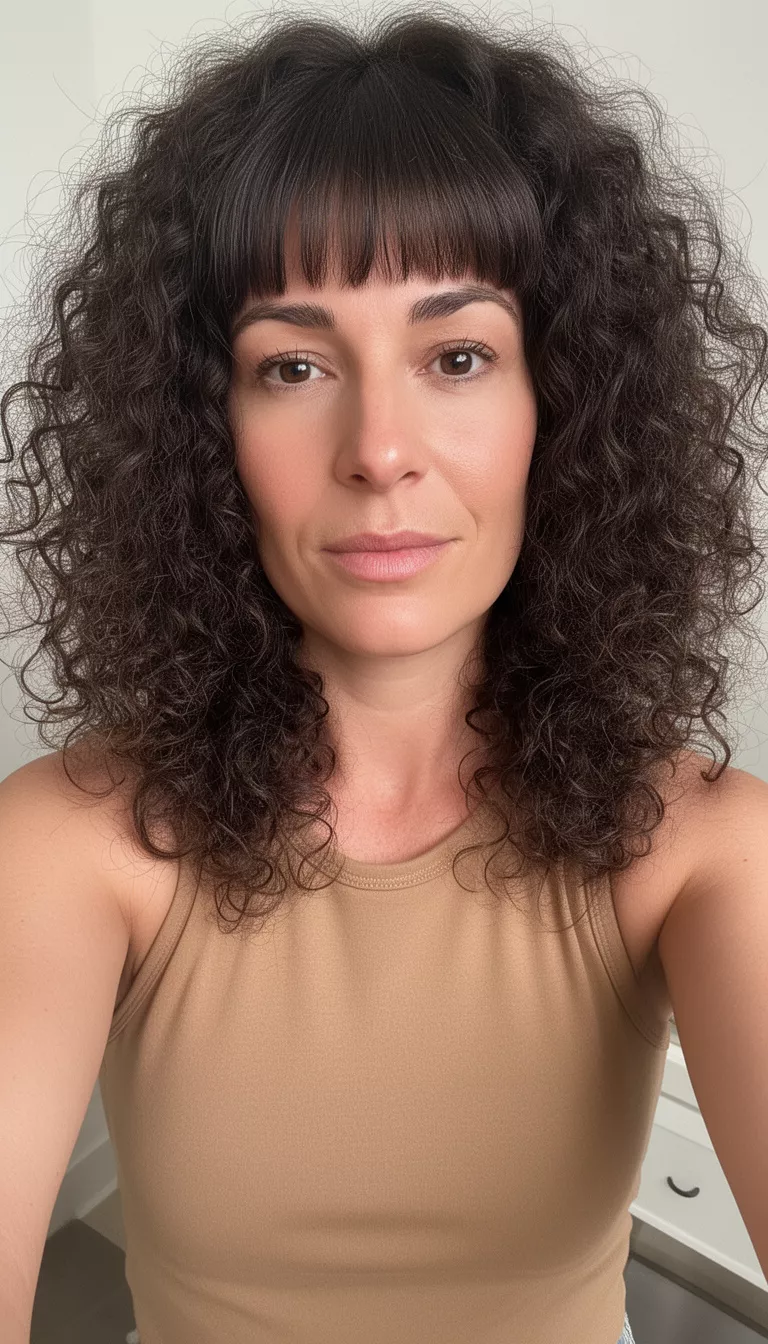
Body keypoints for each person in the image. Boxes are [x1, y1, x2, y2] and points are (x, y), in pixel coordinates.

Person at [1, 7, 766, 1343]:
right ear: (202, 430)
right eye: (292, 366)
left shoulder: (705, 850)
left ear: (563, 404)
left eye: (457, 355)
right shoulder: (65, 847)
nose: (380, 449)